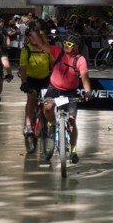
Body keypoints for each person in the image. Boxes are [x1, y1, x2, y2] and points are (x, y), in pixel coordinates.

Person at [42, 33, 93, 164]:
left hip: (70, 92)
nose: (66, 46)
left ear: (76, 47)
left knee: (71, 121)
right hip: (54, 88)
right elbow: (42, 45)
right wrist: (34, 32)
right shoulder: (58, 52)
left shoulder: (80, 60)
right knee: (47, 108)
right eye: (64, 43)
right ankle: (52, 124)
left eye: (69, 44)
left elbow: (84, 77)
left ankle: (74, 151)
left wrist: (88, 92)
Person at [19, 24, 54, 147]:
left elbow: (53, 66)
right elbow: (23, 69)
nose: (34, 38)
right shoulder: (26, 49)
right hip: (31, 79)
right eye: (31, 36)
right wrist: (24, 83)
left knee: (48, 102)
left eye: (36, 36)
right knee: (31, 99)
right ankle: (28, 124)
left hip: (45, 79)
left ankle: (49, 123)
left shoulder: (47, 49)